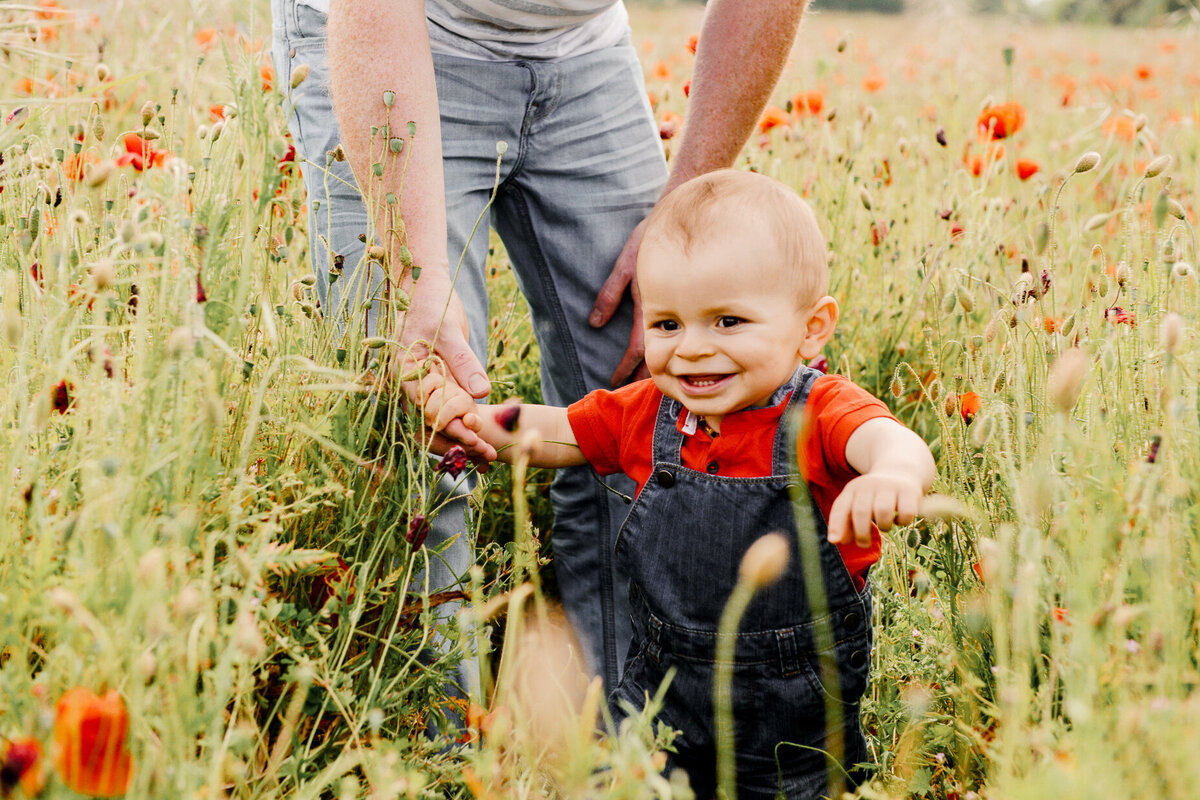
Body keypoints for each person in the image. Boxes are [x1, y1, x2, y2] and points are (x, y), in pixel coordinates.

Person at [269, 0, 814, 694]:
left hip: (580, 49)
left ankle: (625, 750)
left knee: (662, 406)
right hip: (398, 32)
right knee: (424, 429)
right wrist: (413, 273)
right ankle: (441, 758)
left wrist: (681, 206)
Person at [425, 170, 937, 797]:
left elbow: (893, 441)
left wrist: (891, 475)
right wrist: (477, 423)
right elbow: (559, 431)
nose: (692, 349)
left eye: (727, 321)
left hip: (790, 733)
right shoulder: (648, 413)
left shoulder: (821, 412)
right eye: (668, 325)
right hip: (659, 711)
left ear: (813, 327)